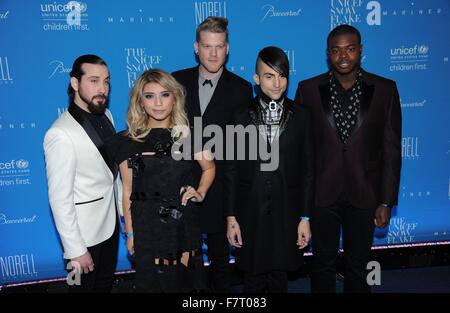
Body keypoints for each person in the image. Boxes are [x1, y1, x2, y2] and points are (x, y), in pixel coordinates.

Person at [294, 24, 402, 293]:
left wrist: (386, 200)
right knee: (322, 264)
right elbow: (299, 150)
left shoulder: (385, 89)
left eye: (350, 49)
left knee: (358, 265)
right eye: (336, 50)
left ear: (361, 51)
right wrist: (301, 203)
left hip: (364, 194)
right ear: (328, 53)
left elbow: (391, 149)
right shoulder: (307, 89)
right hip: (322, 195)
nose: (343, 56)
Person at [108, 69, 215, 292]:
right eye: (149, 96)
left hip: (183, 225)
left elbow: (210, 167)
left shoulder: (189, 136)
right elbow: (128, 191)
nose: (158, 103)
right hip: (148, 228)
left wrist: (201, 191)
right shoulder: (126, 141)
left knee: (185, 284)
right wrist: (130, 233)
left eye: (164, 95)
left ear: (174, 98)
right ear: (140, 101)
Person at [172, 16, 253, 292]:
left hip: (220, 188)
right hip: (180, 185)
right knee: (183, 256)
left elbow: (241, 148)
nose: (214, 53)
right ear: (197, 47)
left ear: (227, 48)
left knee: (220, 257)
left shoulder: (242, 89)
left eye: (219, 46)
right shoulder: (176, 82)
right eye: (207, 46)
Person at [225, 46, 314, 293]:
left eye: (282, 75)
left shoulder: (302, 116)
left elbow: (308, 171)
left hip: (287, 210)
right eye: (269, 75)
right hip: (249, 212)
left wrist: (305, 217)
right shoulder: (240, 115)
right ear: (256, 79)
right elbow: (231, 170)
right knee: (252, 279)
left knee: (279, 277)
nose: (277, 83)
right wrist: (231, 217)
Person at [44, 54, 120, 292]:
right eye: (94, 81)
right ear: (75, 84)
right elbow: (59, 199)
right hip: (83, 238)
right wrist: (75, 250)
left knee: (104, 286)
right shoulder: (60, 133)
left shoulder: (107, 115)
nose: (102, 88)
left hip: (110, 225)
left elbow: (110, 173)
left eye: (106, 81)